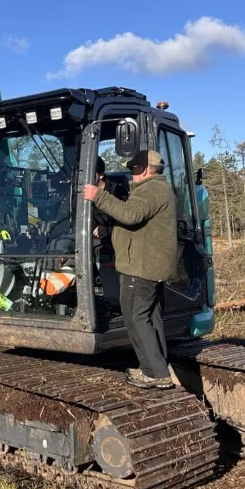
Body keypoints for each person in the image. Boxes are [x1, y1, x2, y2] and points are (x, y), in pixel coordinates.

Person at [83, 150, 177, 389]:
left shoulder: (150, 190)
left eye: (133, 169)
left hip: (140, 267)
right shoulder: (160, 189)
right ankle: (158, 366)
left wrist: (98, 196)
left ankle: (154, 373)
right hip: (149, 266)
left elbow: (130, 214)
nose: (130, 174)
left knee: (136, 317)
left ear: (144, 170)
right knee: (150, 317)